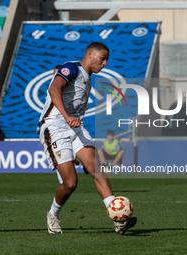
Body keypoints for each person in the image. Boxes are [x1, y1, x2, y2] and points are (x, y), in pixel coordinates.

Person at [38, 42, 137, 235]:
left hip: (75, 129)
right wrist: (67, 116)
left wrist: (73, 117)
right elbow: (53, 89)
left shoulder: (87, 78)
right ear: (91, 55)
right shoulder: (72, 68)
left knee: (95, 167)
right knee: (70, 184)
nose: (105, 63)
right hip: (55, 127)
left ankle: (117, 216)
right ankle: (52, 215)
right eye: (103, 59)